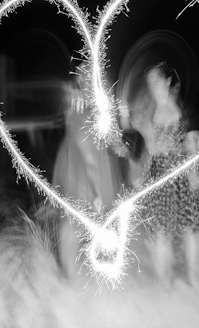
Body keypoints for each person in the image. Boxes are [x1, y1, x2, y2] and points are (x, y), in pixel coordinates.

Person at [120, 62, 199, 289]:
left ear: (168, 81)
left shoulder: (185, 112)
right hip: (158, 176)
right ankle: (164, 282)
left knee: (191, 231)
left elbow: (194, 147)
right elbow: (145, 144)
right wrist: (141, 174)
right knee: (160, 232)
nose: (152, 85)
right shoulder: (148, 112)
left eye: (156, 79)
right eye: (149, 81)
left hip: (182, 177)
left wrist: (195, 176)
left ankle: (194, 279)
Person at [52, 73, 123, 279]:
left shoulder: (95, 111)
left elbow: (109, 141)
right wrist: (95, 189)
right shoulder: (79, 109)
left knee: (84, 218)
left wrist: (116, 144)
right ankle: (69, 274)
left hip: (91, 168)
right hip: (81, 171)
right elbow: (87, 152)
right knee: (74, 220)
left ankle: (74, 268)